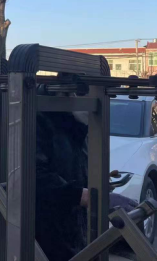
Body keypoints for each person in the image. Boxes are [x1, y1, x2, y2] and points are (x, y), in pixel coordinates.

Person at [35, 87, 138, 261]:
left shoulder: (79, 129)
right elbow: (35, 177)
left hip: (75, 230)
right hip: (46, 232)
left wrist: (99, 187)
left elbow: (77, 172)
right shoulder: (43, 123)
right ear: (68, 93)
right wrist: (83, 195)